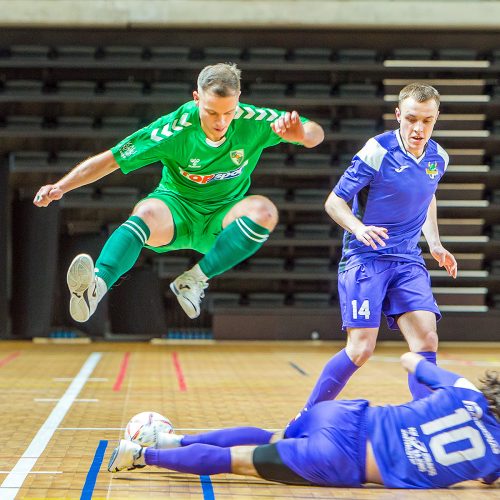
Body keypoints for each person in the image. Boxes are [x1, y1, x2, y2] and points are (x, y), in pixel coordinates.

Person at [33, 63, 324, 321]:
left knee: (265, 211)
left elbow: (315, 132)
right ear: (196, 99)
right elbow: (111, 160)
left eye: (228, 113)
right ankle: (97, 285)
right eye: (212, 112)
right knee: (144, 211)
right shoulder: (173, 129)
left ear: (238, 102)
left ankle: (195, 280)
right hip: (175, 211)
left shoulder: (253, 120)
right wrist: (60, 186)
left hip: (220, 219)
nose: (221, 122)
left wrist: (301, 135)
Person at [107, 353, 499, 489]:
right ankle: (142, 454)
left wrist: (436, 393)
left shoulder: (465, 390)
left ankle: (174, 440)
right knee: (239, 462)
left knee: (273, 436)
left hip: (343, 414)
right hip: (339, 458)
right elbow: (484, 477)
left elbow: (412, 362)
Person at [311, 82, 459, 405]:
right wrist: (358, 227)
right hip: (366, 258)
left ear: (436, 118)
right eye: (411, 119)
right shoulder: (377, 151)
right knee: (361, 348)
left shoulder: (439, 158)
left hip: (407, 260)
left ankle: (426, 419)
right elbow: (334, 202)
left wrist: (434, 243)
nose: (418, 129)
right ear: (397, 115)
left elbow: (427, 194)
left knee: (426, 339)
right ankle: (306, 415)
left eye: (427, 121)